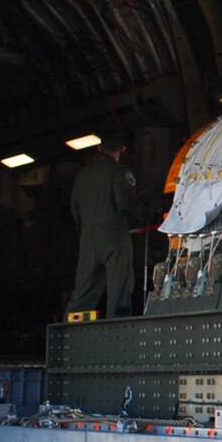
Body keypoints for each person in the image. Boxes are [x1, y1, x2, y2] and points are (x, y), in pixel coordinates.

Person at [69, 136, 138, 317]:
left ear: (99, 148)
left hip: (88, 237)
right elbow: (127, 202)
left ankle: (73, 331)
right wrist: (151, 214)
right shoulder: (120, 172)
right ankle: (118, 326)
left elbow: (74, 210)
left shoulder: (82, 175)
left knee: (84, 289)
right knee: (119, 286)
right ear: (123, 149)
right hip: (114, 236)